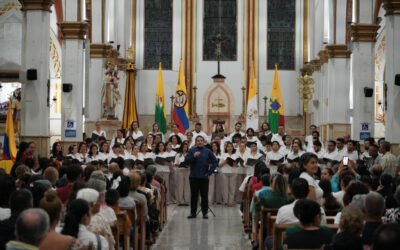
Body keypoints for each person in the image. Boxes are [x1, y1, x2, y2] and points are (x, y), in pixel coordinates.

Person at [185, 136, 218, 219]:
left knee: (204, 196)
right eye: (198, 141)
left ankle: (205, 213)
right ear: (196, 142)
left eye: (201, 141)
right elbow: (187, 161)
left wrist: (210, 172)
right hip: (193, 176)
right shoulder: (191, 150)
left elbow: (215, 162)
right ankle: (193, 213)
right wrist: (194, 156)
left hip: (204, 177)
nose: (200, 142)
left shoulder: (208, 151)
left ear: (204, 142)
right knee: (194, 196)